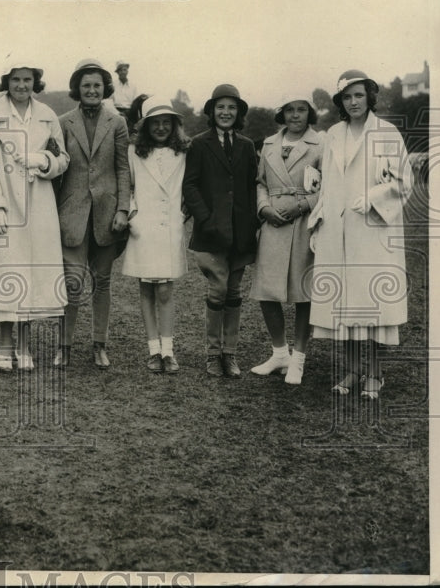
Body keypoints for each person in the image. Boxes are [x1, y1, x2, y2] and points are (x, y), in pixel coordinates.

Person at [308, 70, 413, 400]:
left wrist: (373, 197)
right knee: (346, 306)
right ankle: (353, 371)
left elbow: (403, 182)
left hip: (373, 232)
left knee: (373, 306)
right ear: (340, 102)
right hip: (337, 234)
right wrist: (318, 221)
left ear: (369, 96)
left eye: (358, 95)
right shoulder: (334, 134)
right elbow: (326, 185)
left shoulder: (387, 132)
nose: (353, 102)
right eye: (346, 97)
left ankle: (375, 374)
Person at [0, 59, 70, 372]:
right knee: (7, 271)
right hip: (6, 204)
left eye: (27, 79)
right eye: (16, 79)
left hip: (40, 203)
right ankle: (4, 344)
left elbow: (63, 158)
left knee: (32, 272)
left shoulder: (47, 115)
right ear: (7, 81)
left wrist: (43, 160)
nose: (21, 85)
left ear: (35, 82)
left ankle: (24, 346)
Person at [55, 59, 130, 369]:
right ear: (77, 88)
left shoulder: (117, 123)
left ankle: (100, 344)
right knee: (72, 283)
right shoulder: (62, 122)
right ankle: (65, 346)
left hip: (107, 215)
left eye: (97, 85)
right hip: (72, 214)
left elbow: (123, 169)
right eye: (86, 85)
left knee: (103, 281)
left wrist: (123, 208)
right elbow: (57, 170)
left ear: (105, 88)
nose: (91, 90)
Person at [182, 83, 259, 379]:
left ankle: (231, 354)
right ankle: (213, 355)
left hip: (240, 233)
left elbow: (253, 188)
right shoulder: (200, 144)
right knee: (217, 290)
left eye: (231, 107)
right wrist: (205, 218)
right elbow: (190, 185)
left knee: (234, 293)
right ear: (211, 112)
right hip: (210, 232)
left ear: (238, 112)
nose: (226, 112)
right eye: (220, 107)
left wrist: (252, 225)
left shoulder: (247, 146)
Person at [248, 92, 324, 385]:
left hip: (305, 222)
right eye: (289, 110)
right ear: (281, 114)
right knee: (266, 290)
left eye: (301, 110)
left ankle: (299, 359)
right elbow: (260, 182)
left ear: (309, 113)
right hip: (272, 223)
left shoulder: (321, 143)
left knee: (303, 292)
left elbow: (329, 185)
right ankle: (279, 353)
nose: (295, 115)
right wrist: (263, 207)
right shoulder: (269, 144)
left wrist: (303, 205)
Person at [122, 96, 190, 374]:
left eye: (166, 123)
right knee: (146, 288)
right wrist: (133, 214)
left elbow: (190, 187)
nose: (161, 128)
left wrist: (185, 212)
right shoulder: (134, 152)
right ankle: (153, 351)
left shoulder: (184, 152)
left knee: (165, 290)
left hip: (170, 225)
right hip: (144, 228)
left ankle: (169, 351)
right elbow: (127, 187)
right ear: (146, 126)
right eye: (155, 123)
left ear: (174, 126)